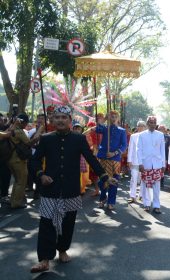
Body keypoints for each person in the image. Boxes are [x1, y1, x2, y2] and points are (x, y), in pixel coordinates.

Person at [30, 105, 116, 273]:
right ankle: (44, 259)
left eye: (64, 118)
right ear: (53, 120)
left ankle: (62, 250)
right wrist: (41, 175)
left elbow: (91, 159)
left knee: (67, 223)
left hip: (71, 189)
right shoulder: (46, 139)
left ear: (70, 121)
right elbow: (33, 161)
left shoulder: (78, 139)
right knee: (46, 224)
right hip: (50, 189)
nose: (61, 120)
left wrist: (105, 176)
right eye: (57, 117)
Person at [7, 113, 42, 209]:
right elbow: (29, 143)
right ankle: (17, 203)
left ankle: (13, 200)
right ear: (23, 123)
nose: (26, 126)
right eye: (26, 123)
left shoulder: (11, 128)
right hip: (18, 160)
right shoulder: (19, 131)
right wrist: (39, 132)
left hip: (11, 159)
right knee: (21, 181)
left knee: (17, 181)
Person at [95, 110, 127, 210]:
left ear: (118, 118)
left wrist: (114, 153)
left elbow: (124, 145)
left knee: (114, 180)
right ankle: (103, 197)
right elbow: (97, 128)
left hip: (115, 159)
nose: (113, 119)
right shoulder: (105, 129)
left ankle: (111, 201)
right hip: (104, 158)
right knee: (102, 180)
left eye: (115, 117)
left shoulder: (122, 131)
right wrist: (104, 119)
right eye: (111, 117)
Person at [137, 116, 166, 214]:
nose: (152, 124)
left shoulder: (160, 135)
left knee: (156, 187)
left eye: (154, 122)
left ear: (156, 124)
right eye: (150, 122)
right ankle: (146, 204)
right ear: (147, 124)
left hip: (157, 164)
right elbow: (139, 150)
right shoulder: (141, 135)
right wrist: (140, 163)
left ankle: (157, 206)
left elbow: (162, 150)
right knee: (145, 185)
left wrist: (163, 164)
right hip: (145, 164)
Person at [127, 120, 147, 203]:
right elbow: (130, 149)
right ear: (137, 127)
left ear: (145, 127)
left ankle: (142, 195)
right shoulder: (133, 136)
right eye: (139, 126)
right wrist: (129, 160)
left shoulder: (147, 136)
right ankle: (132, 196)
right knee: (134, 179)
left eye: (142, 126)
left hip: (144, 162)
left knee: (143, 179)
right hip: (135, 161)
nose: (141, 127)